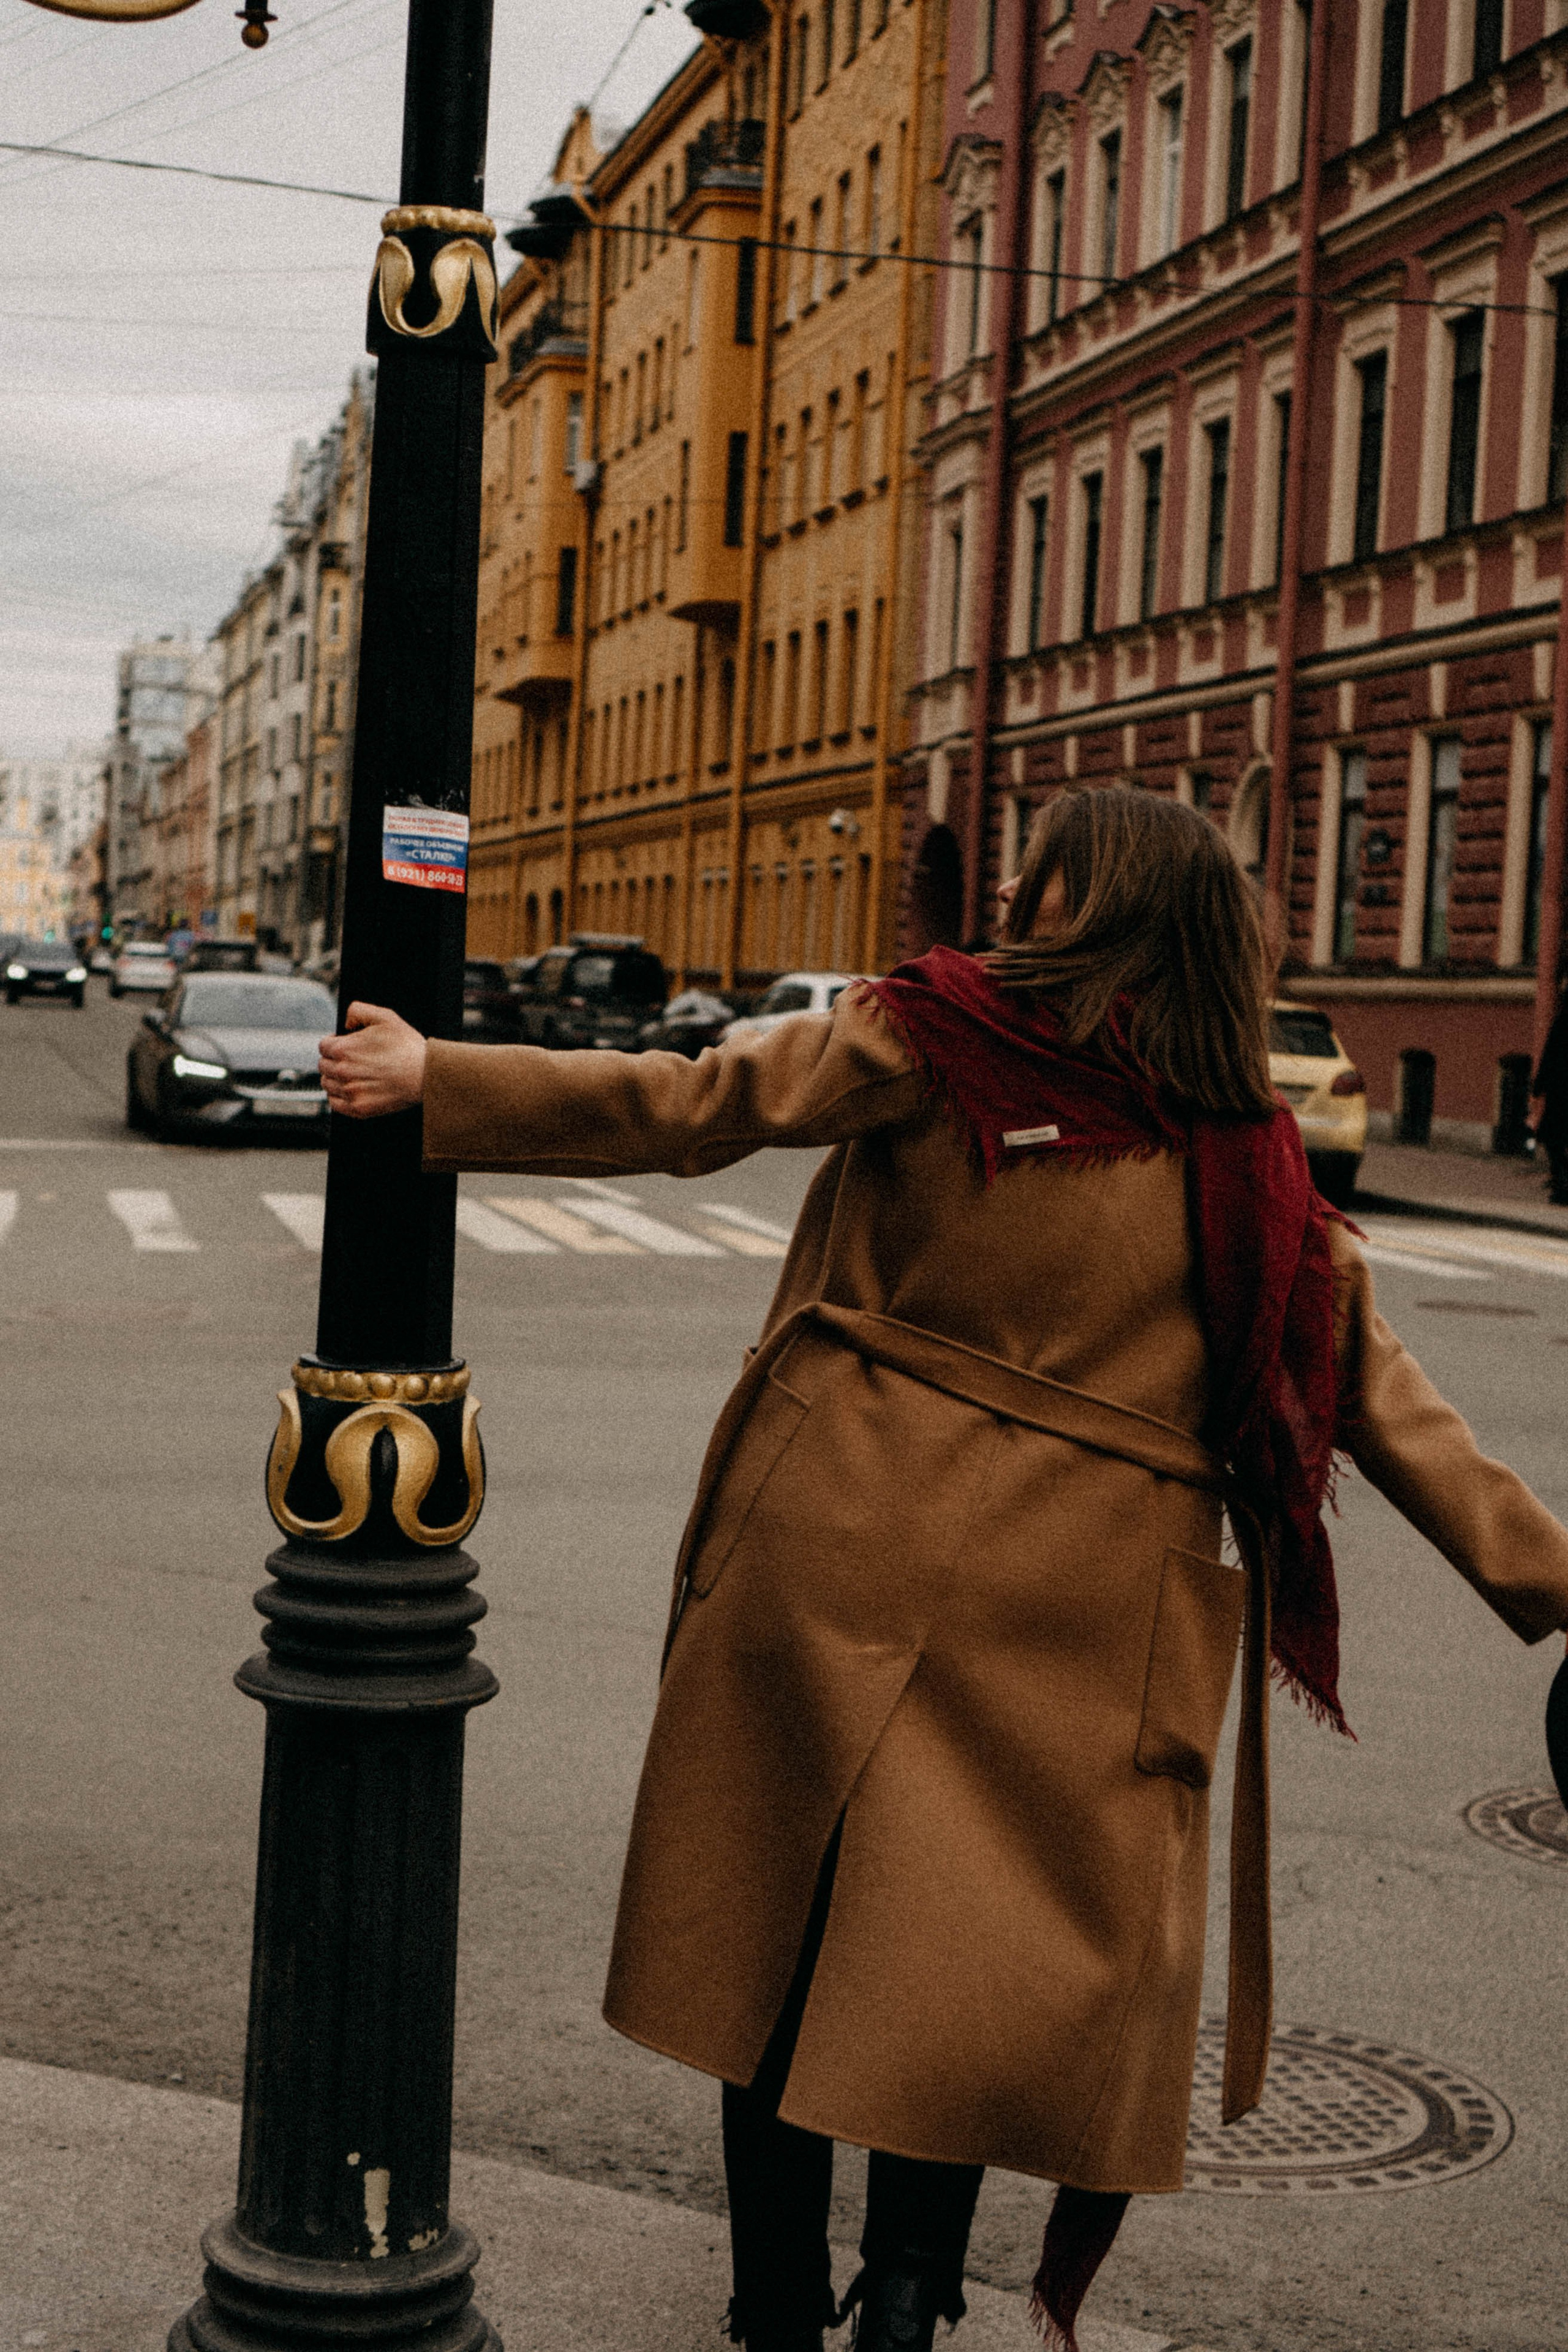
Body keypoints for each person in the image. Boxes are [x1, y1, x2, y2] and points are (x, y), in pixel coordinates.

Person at [320, 789, 1568, 2352]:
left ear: (1074, 901)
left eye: (1035, 874)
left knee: (779, 1933)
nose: (1009, 899)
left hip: (842, 1533)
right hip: (1089, 1608)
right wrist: (1552, 1581)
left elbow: (697, 1104)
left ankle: (779, 2303)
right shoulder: (1249, 1157)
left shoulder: (939, 1034)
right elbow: (1389, 1408)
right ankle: (907, 2292)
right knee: (965, 1966)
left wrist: (438, 1077)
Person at [1532, 981, 1568, 1204]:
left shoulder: (1562, 1023)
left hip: (1560, 1094)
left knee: (1554, 1141)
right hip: (1560, 1093)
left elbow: (1550, 1055)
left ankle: (1561, 1185)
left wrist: (1538, 1087)